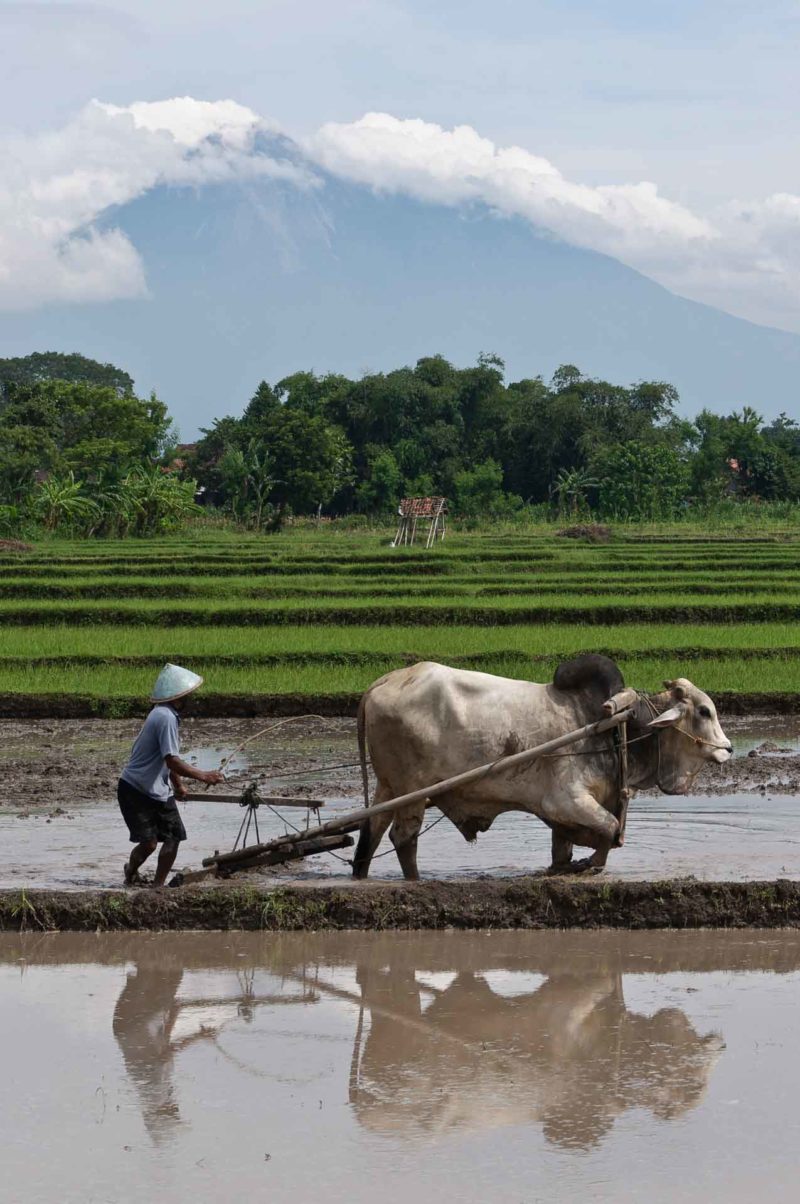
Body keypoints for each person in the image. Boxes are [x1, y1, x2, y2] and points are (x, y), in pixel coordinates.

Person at [118, 663, 223, 887]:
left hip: (157, 789)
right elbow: (172, 760)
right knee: (149, 843)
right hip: (136, 789)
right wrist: (204, 775)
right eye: (188, 695)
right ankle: (131, 871)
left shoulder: (164, 714)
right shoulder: (165, 717)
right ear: (178, 697)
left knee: (174, 836)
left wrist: (178, 787)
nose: (191, 699)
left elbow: (168, 760)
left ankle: (157, 887)